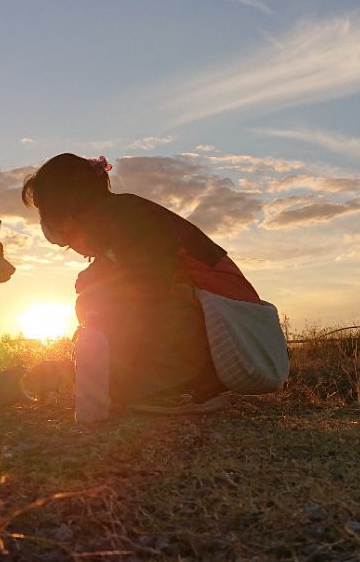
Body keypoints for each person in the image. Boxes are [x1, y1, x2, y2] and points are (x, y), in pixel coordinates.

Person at [21, 153, 262, 416]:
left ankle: (183, 386)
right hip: (221, 318)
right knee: (98, 305)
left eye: (47, 214)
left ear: (66, 210)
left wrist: (96, 286)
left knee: (100, 302)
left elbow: (151, 285)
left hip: (232, 323)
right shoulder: (120, 220)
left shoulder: (125, 218)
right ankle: (170, 381)